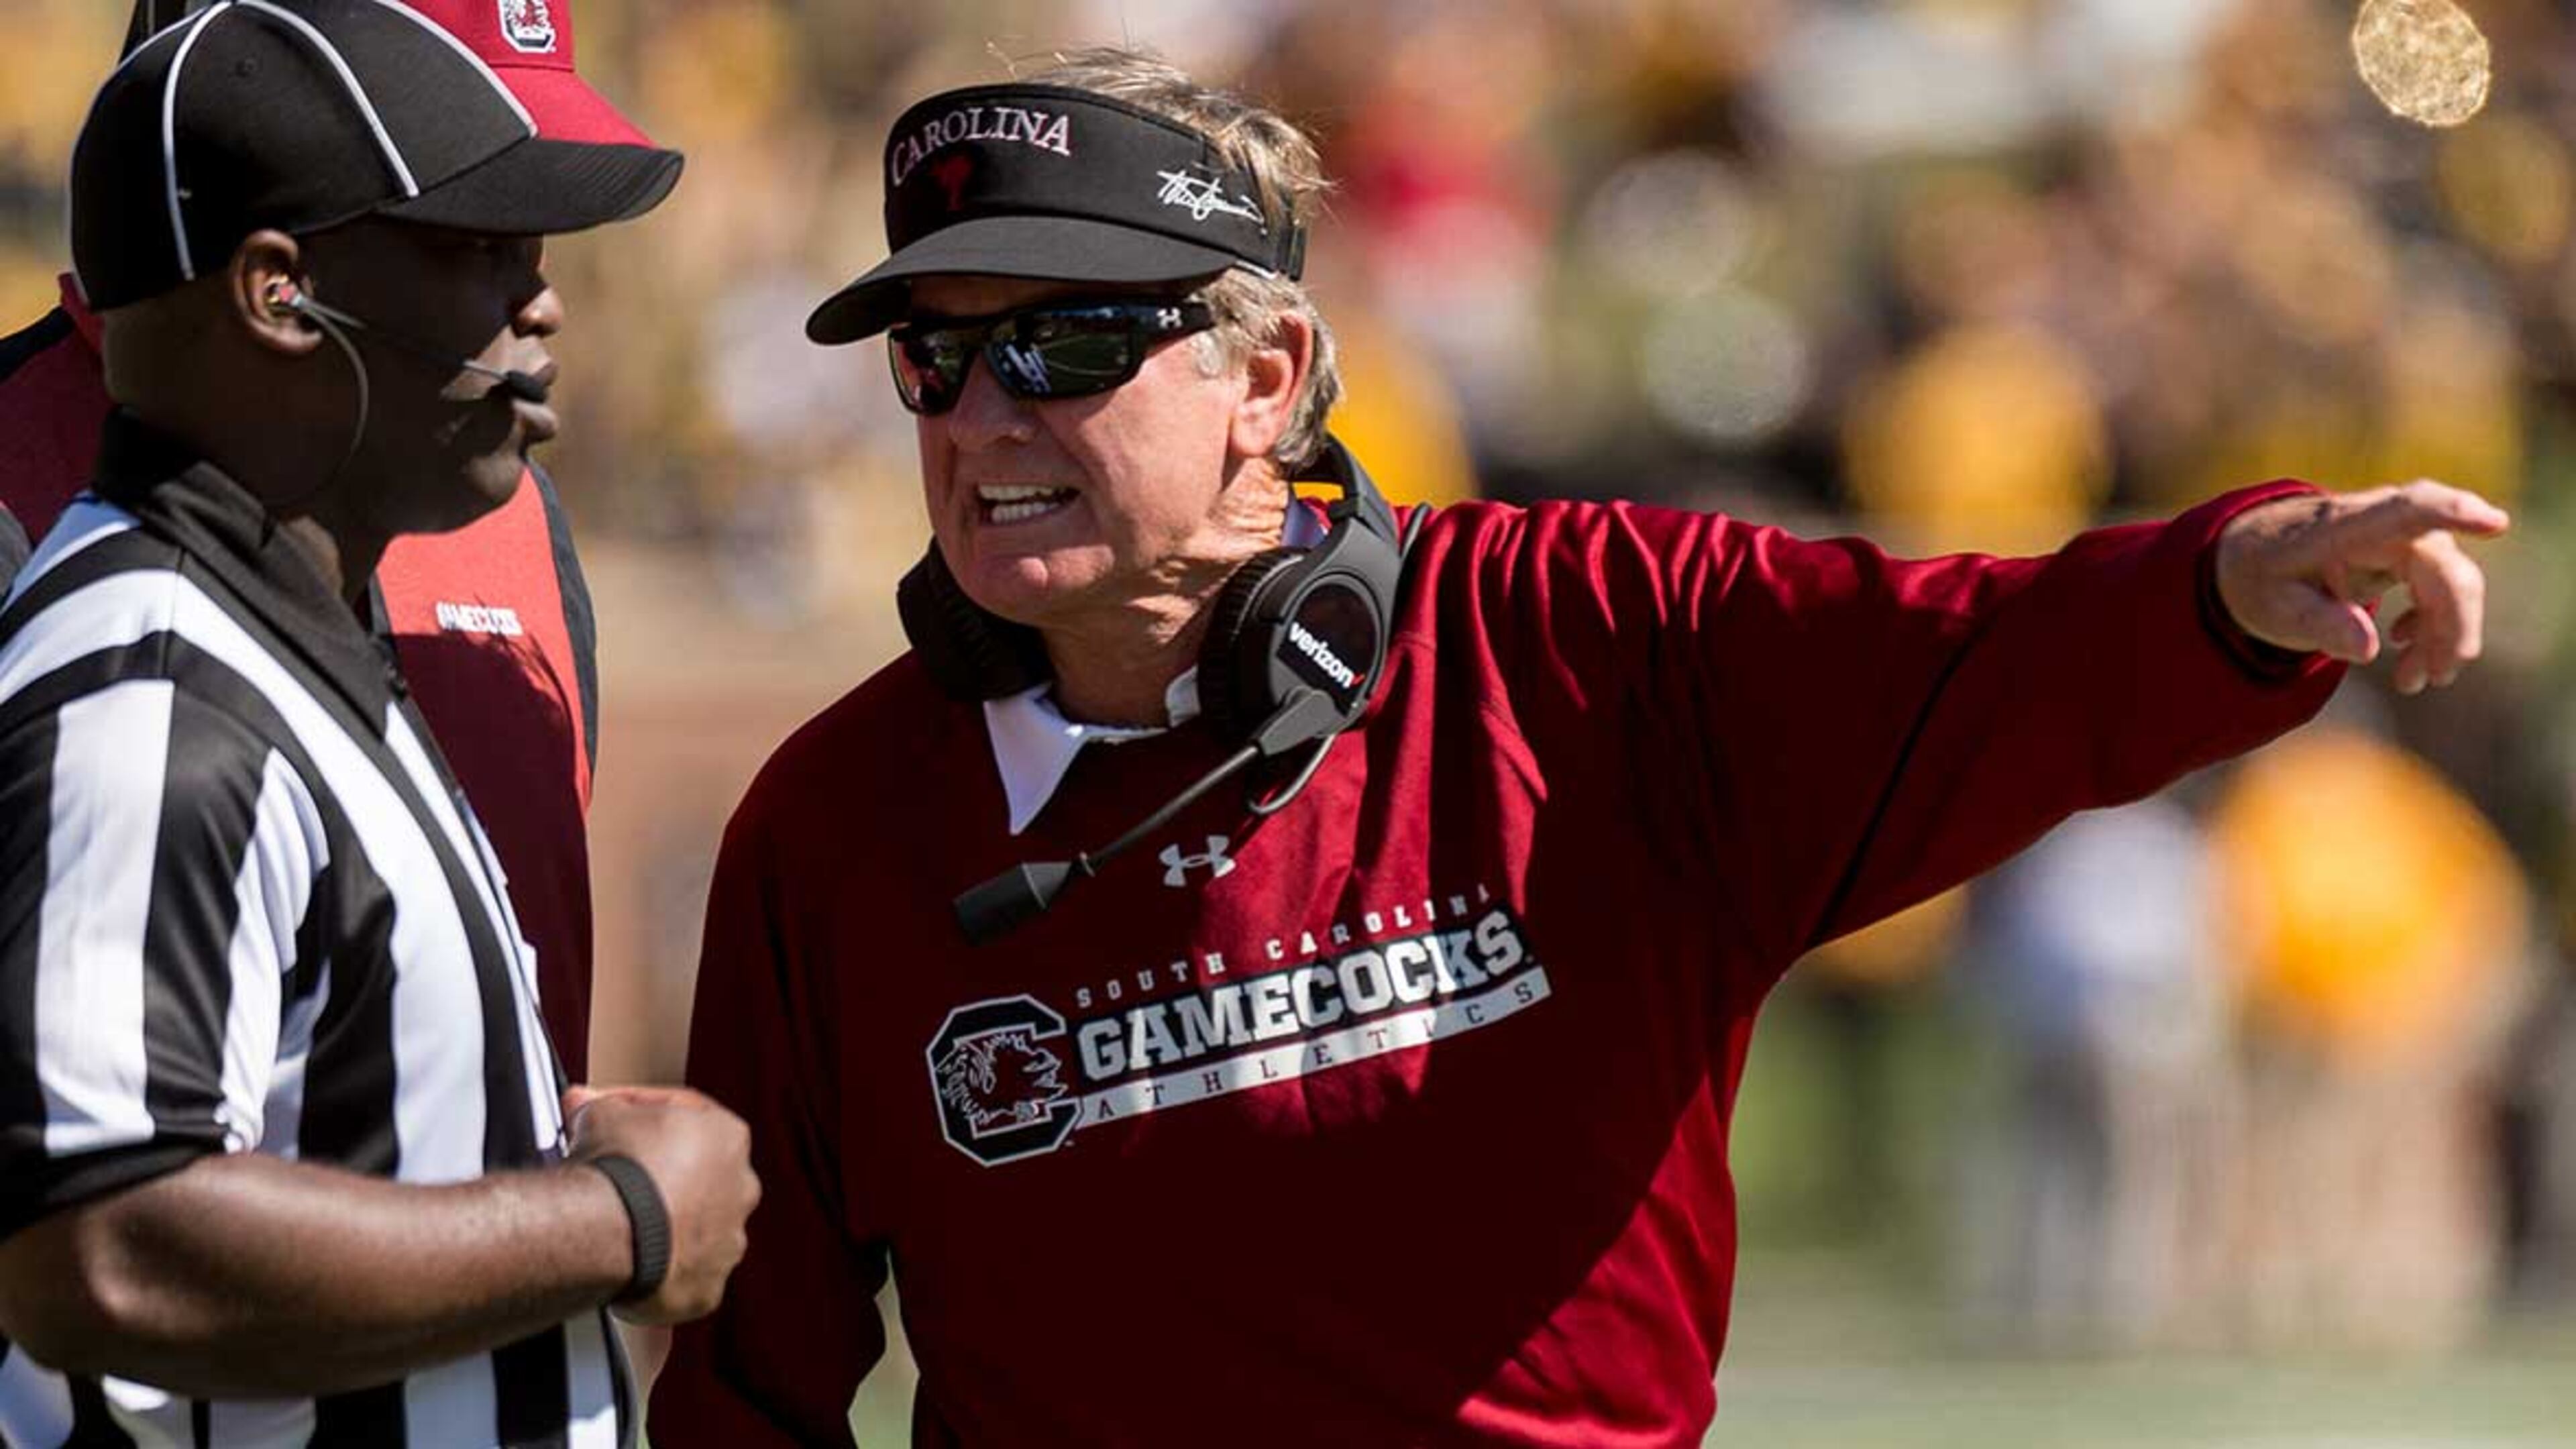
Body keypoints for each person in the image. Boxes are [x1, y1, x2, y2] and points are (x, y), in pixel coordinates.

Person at [647, 47, 2509, 1446]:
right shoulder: (833, 829)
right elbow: (749, 1390)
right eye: (935, 359)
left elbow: (1976, 661)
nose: (983, 415)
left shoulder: (1583, 642)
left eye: (1064, 347)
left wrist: (2231, 579)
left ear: (1270, 379)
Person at [0, 3, 757, 1444]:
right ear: (282, 295)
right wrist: (616, 1225)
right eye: (477, 250)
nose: (539, 305)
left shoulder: (303, 629)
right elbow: (97, 1247)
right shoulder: (152, 685)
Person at [0, 0, 657, 1081]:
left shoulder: (511, 509)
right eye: (468, 222)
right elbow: (102, 1207)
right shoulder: (50, 525)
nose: (541, 300)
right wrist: (612, 1212)